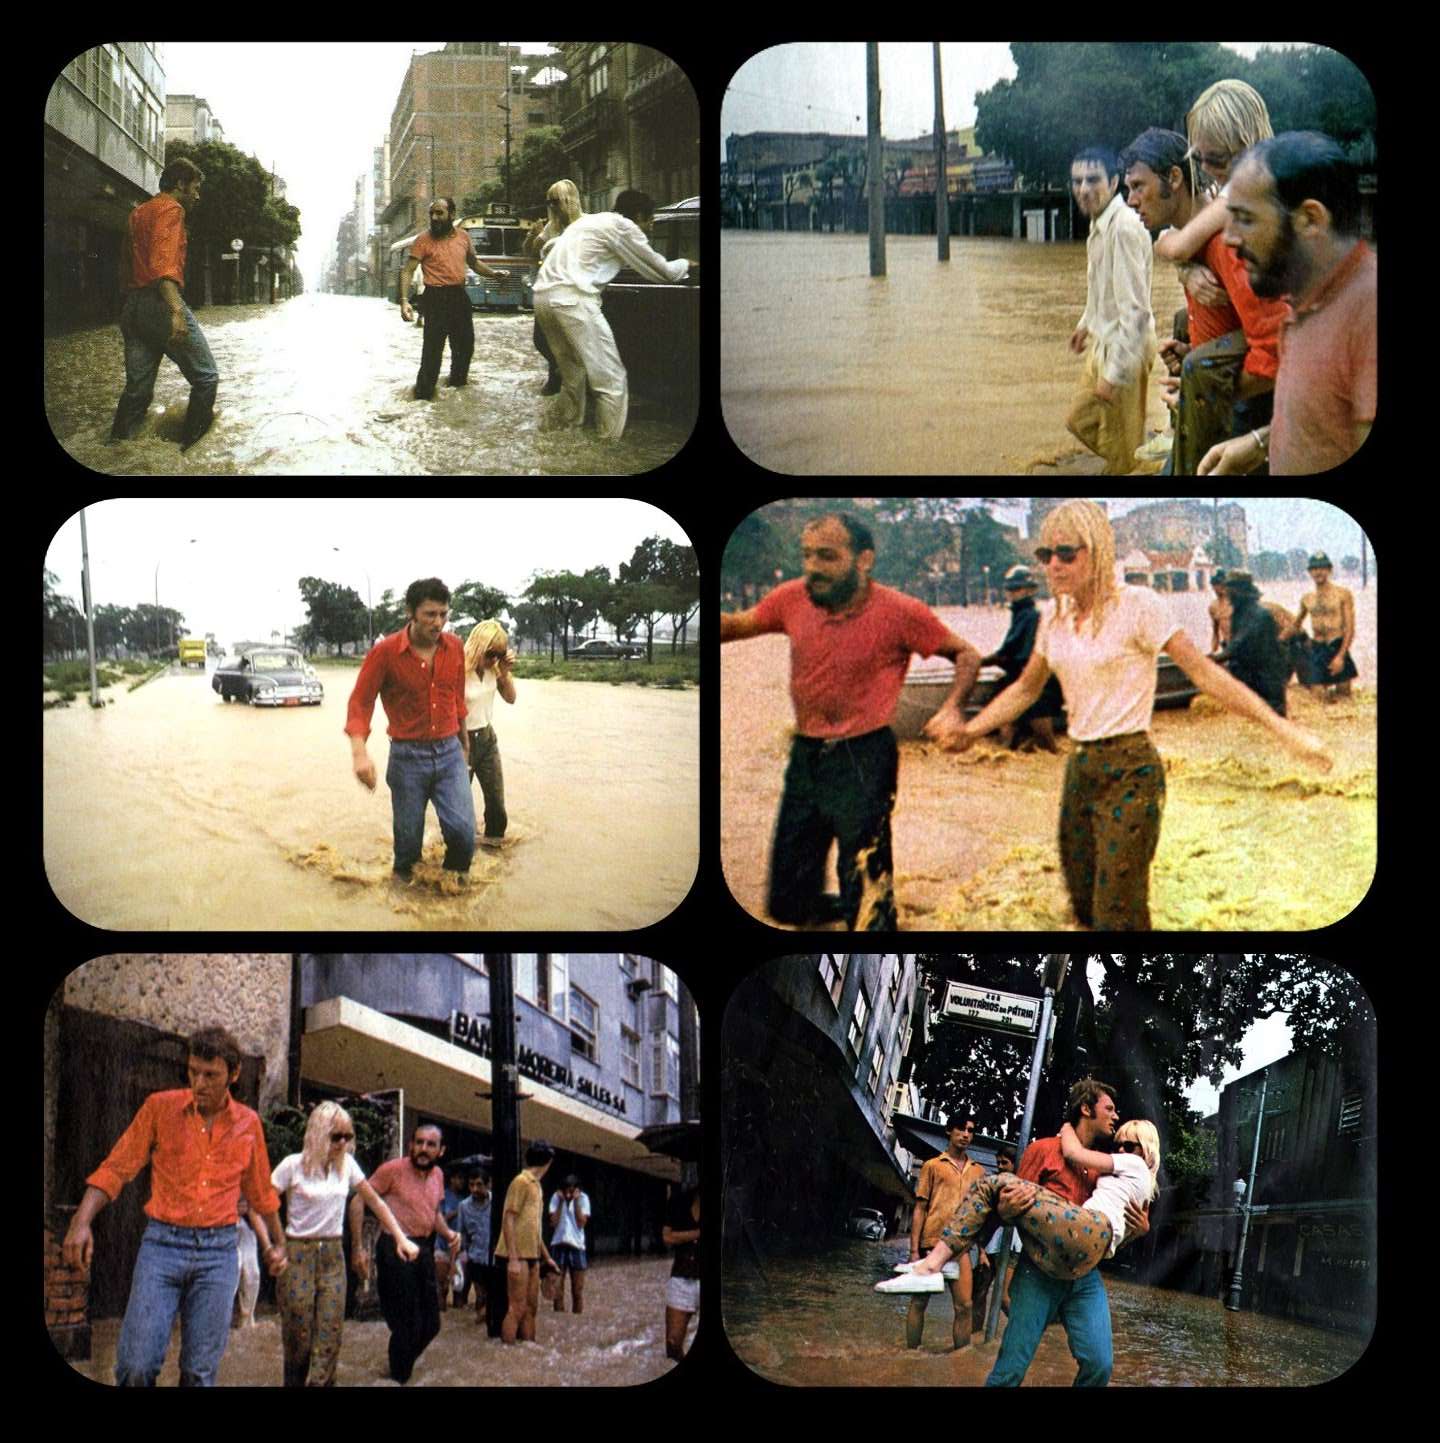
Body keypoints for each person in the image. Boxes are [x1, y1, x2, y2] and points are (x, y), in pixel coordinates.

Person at [926, 500, 1332, 929]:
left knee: (1116, 915)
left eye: (1067, 553)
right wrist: (970, 731)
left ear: (1097, 551)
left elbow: (1205, 674)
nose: (1054, 566)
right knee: (1083, 907)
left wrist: (1286, 732)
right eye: (1045, 555)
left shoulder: (1140, 605)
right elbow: (1026, 688)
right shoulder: (1053, 619)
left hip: (1132, 771)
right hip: (1080, 769)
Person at [720, 513, 981, 929]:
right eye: (807, 555)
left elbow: (966, 655)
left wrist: (953, 708)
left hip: (865, 756)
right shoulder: (792, 599)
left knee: (868, 898)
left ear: (864, 560)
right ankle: (836, 912)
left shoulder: (900, 612)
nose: (812, 567)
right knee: (787, 903)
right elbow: (739, 624)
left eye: (826, 556)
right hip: (807, 755)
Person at [61, 1026, 286, 1386]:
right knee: (136, 1366)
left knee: (199, 1373)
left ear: (234, 1073)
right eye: (193, 1072)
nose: (199, 1083)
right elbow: (117, 1167)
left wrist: (277, 1244)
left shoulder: (248, 1124)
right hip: (162, 1247)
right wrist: (81, 1220)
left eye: (210, 1075)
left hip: (218, 1253)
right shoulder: (159, 1108)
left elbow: (261, 1193)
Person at [927, 1080, 1144, 1387]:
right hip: (1037, 1273)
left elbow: (1108, 1242)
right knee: (1011, 1369)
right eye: (1108, 1108)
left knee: (1100, 1365)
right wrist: (1004, 1211)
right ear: (1086, 1108)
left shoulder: (1107, 1170)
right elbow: (1007, 1210)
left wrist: (1138, 1231)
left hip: (1085, 1277)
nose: (1115, 1116)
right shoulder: (1041, 1150)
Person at [1198, 133, 1376, 475]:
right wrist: (1262, 443)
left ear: (1310, 219)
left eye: (1246, 219)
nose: (1230, 238)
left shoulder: (1368, 316)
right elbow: (1329, 420)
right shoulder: (1304, 300)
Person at [1121, 127, 1285, 476]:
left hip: (1238, 418)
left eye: (1138, 186)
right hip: (1218, 402)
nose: (1131, 200)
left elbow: (1275, 349)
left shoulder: (1227, 244)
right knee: (1184, 323)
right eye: (1128, 189)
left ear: (1175, 178)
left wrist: (1199, 390)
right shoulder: (1189, 239)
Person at [892, 1116, 1159, 1292]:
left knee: (993, 1183)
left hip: (1086, 1230)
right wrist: (1141, 1230)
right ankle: (946, 1259)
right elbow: (1118, 1239)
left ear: (1145, 1150)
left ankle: (935, 1263)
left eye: (1128, 1145)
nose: (1120, 1150)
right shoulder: (1141, 1187)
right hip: (1086, 1254)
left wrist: (1067, 1128)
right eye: (1118, 1144)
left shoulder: (1133, 1165)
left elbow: (1073, 1153)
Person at [271, 1102, 419, 1387]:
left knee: (329, 1335)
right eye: (335, 1136)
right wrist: (274, 1243)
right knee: (298, 1342)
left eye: (347, 1137)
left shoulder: (347, 1165)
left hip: (333, 1256)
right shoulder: (292, 1165)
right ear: (317, 1133)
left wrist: (401, 1238)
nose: (342, 1142)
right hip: (297, 1253)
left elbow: (375, 1201)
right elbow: (263, 1203)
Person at [532, 188, 692, 441]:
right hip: (574, 300)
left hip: (542, 296)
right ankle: (607, 448)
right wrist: (687, 264)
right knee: (612, 381)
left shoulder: (591, 221)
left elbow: (546, 248)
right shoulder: (625, 227)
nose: (650, 228)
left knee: (574, 375)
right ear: (638, 215)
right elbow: (662, 271)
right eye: (650, 221)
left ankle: (561, 436)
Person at [345, 578, 475, 884]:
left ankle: (452, 897)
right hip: (407, 758)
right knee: (407, 847)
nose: (438, 622)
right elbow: (360, 703)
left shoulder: (455, 647)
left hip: (449, 753)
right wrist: (359, 754)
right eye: (430, 614)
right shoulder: (385, 652)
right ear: (411, 612)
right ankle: (405, 902)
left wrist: (464, 746)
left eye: (443, 614)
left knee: (463, 834)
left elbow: (457, 699)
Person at [108, 155, 220, 452]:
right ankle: (190, 453)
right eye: (194, 188)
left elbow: (125, 264)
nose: (197, 196)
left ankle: (116, 448)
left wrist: (132, 306)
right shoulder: (172, 209)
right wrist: (175, 311)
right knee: (207, 377)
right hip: (161, 302)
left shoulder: (138, 212)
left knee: (138, 391)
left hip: (133, 306)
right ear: (180, 184)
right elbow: (163, 266)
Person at [1064, 146, 1157, 475]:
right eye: (1077, 181)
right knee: (1079, 420)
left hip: (1125, 348)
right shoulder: (1100, 224)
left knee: (1121, 449)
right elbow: (1102, 289)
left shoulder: (1123, 229)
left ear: (1114, 182)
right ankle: (1145, 459)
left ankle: (1140, 463)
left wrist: (1114, 375)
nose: (1084, 189)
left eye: (1093, 180)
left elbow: (1136, 312)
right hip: (1104, 340)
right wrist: (1085, 324)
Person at [368, 1123, 463, 1384]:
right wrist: (356, 1249)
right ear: (411, 1145)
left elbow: (433, 1214)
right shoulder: (393, 1170)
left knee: (432, 1324)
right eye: (419, 1142)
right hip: (393, 1247)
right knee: (406, 1323)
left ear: (441, 1150)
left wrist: (449, 1234)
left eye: (431, 1144)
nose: (423, 1149)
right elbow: (360, 1199)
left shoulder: (438, 1176)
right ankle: (399, 1377)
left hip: (424, 1248)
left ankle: (396, 1369)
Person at [398, 197, 505, 400]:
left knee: (465, 346)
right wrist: (404, 301)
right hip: (435, 297)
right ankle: (423, 395)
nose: (435, 218)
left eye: (440, 213)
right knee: (432, 350)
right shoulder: (422, 240)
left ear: (452, 215)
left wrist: (493, 274)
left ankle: (457, 388)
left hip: (458, 296)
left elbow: (473, 263)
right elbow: (407, 271)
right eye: (432, 214)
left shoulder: (463, 237)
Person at [903, 1113, 985, 1350]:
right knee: (919, 1302)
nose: (966, 1135)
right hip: (932, 1244)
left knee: (965, 1306)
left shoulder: (978, 1171)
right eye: (961, 1129)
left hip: (962, 1247)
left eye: (970, 1130)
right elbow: (920, 1208)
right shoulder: (932, 1166)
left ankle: (961, 1359)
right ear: (949, 1131)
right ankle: (911, 1355)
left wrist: (980, 1250)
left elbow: (979, 1214)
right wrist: (914, 1250)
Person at [982, 565, 1062, 753]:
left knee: (1034, 703)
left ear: (1031, 590)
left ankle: (1040, 743)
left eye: (1016, 589)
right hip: (1021, 675)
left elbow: (1013, 654)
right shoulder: (1021, 615)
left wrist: (979, 663)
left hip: (1037, 680)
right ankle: (1009, 743)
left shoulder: (1031, 616)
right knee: (1001, 694)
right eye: (1010, 590)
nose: (1012, 594)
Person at [524, 180, 586, 395]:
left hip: (575, 294)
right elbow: (532, 252)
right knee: (541, 339)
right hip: (549, 294)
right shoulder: (552, 227)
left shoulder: (585, 225)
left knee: (570, 342)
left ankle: (566, 382)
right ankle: (558, 371)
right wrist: (534, 235)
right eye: (549, 202)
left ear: (569, 200)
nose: (552, 206)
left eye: (556, 201)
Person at [494, 1141, 558, 1343]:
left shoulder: (537, 1187)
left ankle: (527, 1353)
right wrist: (512, 1258)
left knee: (531, 1308)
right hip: (517, 1255)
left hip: (533, 1255)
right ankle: (507, 1353)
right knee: (517, 1308)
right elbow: (509, 1218)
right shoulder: (521, 1181)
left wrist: (548, 1258)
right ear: (547, 1162)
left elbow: (534, 1230)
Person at [463, 619, 517, 849]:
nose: (493, 658)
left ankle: (494, 851)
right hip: (460, 741)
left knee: (496, 804)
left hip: (486, 738)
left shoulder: (495, 669)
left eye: (499, 653)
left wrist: (504, 672)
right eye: (490, 653)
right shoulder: (459, 669)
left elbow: (511, 698)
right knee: (461, 808)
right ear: (478, 646)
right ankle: (465, 850)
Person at [1216, 571, 1291, 716]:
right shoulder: (1239, 613)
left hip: (1267, 676)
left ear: (1241, 591)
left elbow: (1237, 645)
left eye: (1231, 590)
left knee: (1273, 716)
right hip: (1250, 674)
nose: (1228, 594)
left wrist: (1212, 660)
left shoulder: (1259, 615)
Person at [1295, 552, 1358, 700]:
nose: (1318, 572)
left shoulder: (1343, 594)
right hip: (1317, 649)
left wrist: (1341, 656)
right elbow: (1296, 624)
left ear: (1329, 570)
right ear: (1310, 572)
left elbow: (1349, 629)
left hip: (1337, 646)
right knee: (1318, 697)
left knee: (1344, 696)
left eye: (1322, 568)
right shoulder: (1307, 599)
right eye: (1314, 568)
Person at [662, 1182, 700, 1361]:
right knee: (673, 1344)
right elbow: (667, 1236)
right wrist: (696, 1234)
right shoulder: (679, 1202)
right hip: (682, 1276)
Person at [547, 1174, 592, 1314]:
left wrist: (576, 1201)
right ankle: (560, 1318)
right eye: (565, 1191)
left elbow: (581, 1223)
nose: (568, 1194)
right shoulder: (556, 1198)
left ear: (577, 1190)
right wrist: (561, 1202)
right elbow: (553, 1223)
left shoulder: (583, 1199)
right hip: (558, 1244)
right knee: (557, 1291)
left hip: (577, 1246)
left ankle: (577, 1317)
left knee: (577, 1290)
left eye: (571, 1191)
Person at [456, 1171, 493, 1324]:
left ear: (488, 1184)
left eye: (479, 1184)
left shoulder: (498, 1202)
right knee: (481, 1296)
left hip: (495, 1257)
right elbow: (461, 1233)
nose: (474, 1189)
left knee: (495, 1297)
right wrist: (460, 1256)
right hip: (475, 1257)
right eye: (471, 1185)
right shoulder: (463, 1206)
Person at [436, 1165, 468, 1310]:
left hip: (460, 1246)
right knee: (441, 1286)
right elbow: (439, 1218)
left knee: (459, 1287)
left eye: (463, 1179)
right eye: (459, 1178)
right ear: (452, 1179)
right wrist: (457, 1211)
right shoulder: (443, 1197)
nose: (462, 1182)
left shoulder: (465, 1199)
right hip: (442, 1245)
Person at [1207, 569, 1232, 653]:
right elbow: (1215, 633)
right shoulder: (1213, 607)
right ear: (1213, 586)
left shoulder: (1236, 603)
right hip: (1227, 647)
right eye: (1217, 584)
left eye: (1224, 584)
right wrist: (1213, 650)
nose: (1221, 587)